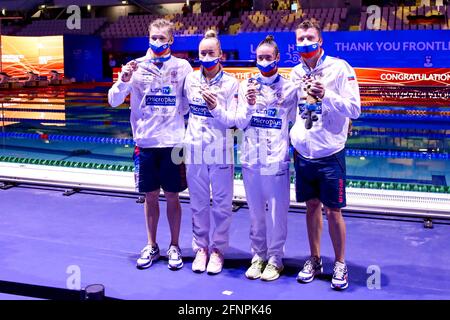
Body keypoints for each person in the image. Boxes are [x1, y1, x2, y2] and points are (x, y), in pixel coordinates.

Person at [108, 19, 193, 271]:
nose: (157, 41)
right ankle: (152, 244)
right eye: (153, 37)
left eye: (161, 37)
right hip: (145, 143)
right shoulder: (135, 66)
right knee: (150, 196)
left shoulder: (183, 66)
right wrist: (123, 80)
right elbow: (113, 101)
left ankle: (175, 246)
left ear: (171, 40)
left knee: (173, 197)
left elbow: (187, 103)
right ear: (148, 37)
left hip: (173, 143)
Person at [290, 19, 361, 290]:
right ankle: (315, 258)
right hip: (304, 153)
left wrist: (327, 95)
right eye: (300, 39)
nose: (305, 43)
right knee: (310, 207)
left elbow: (354, 110)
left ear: (320, 41)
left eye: (310, 37)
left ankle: (340, 263)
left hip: (330, 153)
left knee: (334, 211)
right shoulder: (295, 73)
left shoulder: (340, 68)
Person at [236, 35, 298, 281]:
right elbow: (240, 122)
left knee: (276, 213)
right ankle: (258, 255)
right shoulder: (246, 86)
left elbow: (295, 122)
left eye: (267, 57)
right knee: (255, 213)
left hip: (276, 159)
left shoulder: (290, 88)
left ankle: (275, 259)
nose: (263, 61)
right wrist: (250, 105)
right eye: (259, 57)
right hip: (251, 158)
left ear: (277, 58)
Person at [183, 29, 239, 274]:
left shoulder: (231, 84)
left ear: (221, 55)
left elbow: (233, 121)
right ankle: (201, 248)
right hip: (194, 148)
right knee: (198, 203)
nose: (206, 57)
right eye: (202, 53)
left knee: (222, 204)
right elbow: (185, 110)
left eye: (210, 53)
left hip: (221, 150)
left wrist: (215, 107)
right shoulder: (191, 80)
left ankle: (218, 250)